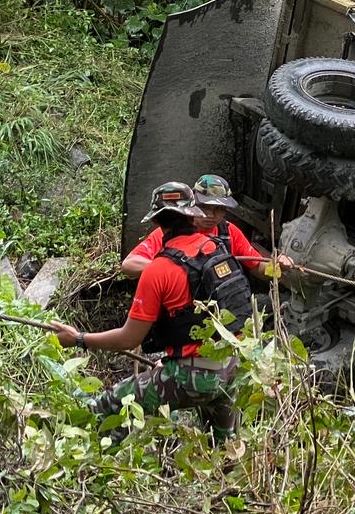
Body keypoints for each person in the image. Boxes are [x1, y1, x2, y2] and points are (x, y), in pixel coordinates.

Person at [51, 182, 284, 444]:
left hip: (194, 377)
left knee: (111, 403)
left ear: (156, 222)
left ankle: (101, 451)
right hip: (232, 372)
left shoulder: (158, 269)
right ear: (193, 216)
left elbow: (129, 339)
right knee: (223, 446)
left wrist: (79, 339)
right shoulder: (218, 248)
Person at [122, 174, 264, 277]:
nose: (211, 215)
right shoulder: (170, 232)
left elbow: (257, 266)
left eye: (218, 209)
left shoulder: (228, 232)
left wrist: (274, 268)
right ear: (193, 206)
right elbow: (129, 264)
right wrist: (175, 269)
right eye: (205, 207)